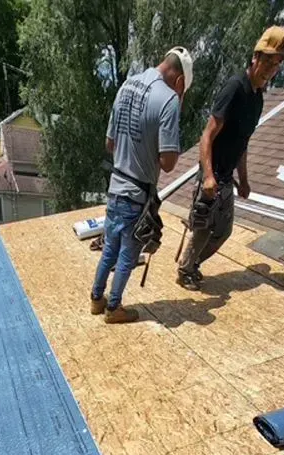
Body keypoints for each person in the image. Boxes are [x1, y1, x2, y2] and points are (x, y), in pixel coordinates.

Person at [176, 26, 284, 290]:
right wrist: (207, 176)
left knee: (224, 231)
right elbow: (207, 136)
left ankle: (192, 264)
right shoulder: (235, 88)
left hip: (227, 176)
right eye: (268, 62)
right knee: (203, 226)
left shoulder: (257, 98)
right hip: (211, 173)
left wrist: (245, 180)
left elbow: (243, 142)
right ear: (256, 58)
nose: (271, 70)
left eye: (277, 64)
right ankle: (185, 270)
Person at [91, 47, 193, 323]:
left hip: (115, 186)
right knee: (128, 253)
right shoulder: (169, 99)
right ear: (181, 81)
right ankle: (114, 308)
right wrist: (176, 108)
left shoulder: (126, 85)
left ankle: (96, 298)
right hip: (136, 193)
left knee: (110, 246)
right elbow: (169, 161)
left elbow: (110, 144)